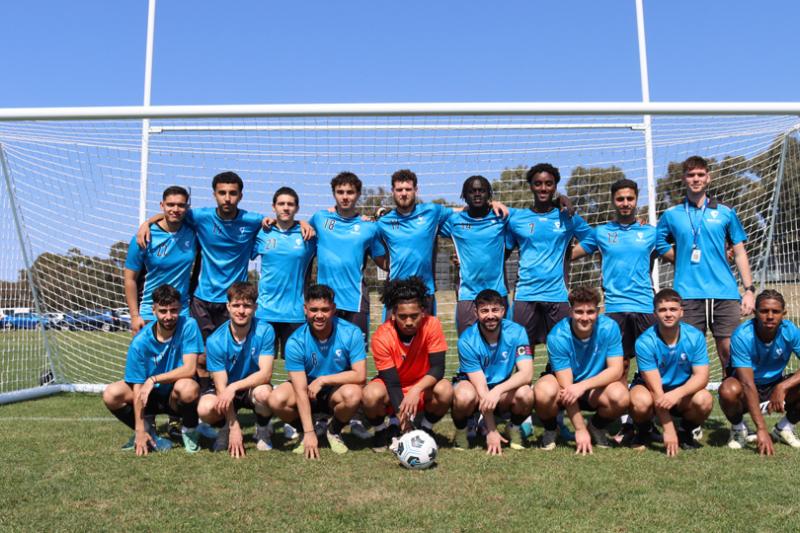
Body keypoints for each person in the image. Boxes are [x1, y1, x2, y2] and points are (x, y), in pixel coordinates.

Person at [572, 178, 657, 436]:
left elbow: (673, 251)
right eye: (620, 199)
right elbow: (572, 253)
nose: (625, 203)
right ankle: (623, 420)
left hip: (645, 306)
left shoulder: (650, 233)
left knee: (650, 363)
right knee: (620, 364)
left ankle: (645, 418)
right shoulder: (601, 233)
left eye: (630, 198)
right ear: (613, 201)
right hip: (615, 307)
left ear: (636, 200)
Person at [656, 156, 756, 372]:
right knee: (689, 355)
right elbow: (658, 242)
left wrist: (749, 290)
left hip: (724, 293)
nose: (696, 179)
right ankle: (693, 394)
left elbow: (740, 252)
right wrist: (680, 257)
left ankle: (733, 393)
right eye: (691, 175)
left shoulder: (725, 212)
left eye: (700, 174)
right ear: (684, 178)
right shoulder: (672, 214)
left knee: (730, 354)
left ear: (708, 178)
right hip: (688, 294)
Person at [375, 169, 507, 316]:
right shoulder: (383, 222)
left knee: (428, 331)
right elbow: (375, 252)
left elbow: (463, 210)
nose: (404, 193)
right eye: (399, 190)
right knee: (390, 332)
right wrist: (390, 265)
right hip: (395, 292)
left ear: (416, 190)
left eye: (408, 189)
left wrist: (491, 203)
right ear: (392, 191)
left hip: (425, 292)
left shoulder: (432, 212)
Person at [102, 284, 204, 455]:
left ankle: (189, 431)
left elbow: (189, 369)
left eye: (173, 310)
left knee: (189, 388)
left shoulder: (189, 325)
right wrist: (139, 429)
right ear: (154, 310)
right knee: (111, 394)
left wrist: (154, 379)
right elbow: (137, 388)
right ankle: (148, 432)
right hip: (148, 396)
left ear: (180, 308)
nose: (169, 316)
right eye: (163, 311)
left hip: (174, 395)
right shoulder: (140, 342)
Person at [268, 284, 367, 458]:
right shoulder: (295, 341)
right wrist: (308, 432)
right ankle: (305, 430)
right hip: (308, 391)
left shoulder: (351, 332)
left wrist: (322, 380)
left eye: (325, 310)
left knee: (353, 393)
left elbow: (360, 375)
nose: (319, 315)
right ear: (305, 309)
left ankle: (333, 431)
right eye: (314, 310)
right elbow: (300, 390)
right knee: (276, 399)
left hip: (336, 390)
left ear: (333, 309)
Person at [507, 163, 592, 350]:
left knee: (562, 350)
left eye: (548, 183)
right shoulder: (517, 219)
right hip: (525, 295)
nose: (543, 188)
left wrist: (568, 255)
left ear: (555, 186)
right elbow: (503, 251)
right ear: (530, 186)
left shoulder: (568, 217)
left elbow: (592, 240)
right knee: (522, 351)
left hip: (557, 295)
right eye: (538, 183)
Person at [534, 286, 628, 454]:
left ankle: (596, 426)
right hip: (564, 387)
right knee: (543, 391)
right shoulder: (557, 336)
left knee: (621, 396)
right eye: (579, 312)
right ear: (571, 311)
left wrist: (583, 386)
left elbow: (616, 370)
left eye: (590, 312)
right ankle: (551, 428)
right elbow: (567, 388)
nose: (585, 318)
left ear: (598, 311)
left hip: (593, 388)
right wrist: (579, 429)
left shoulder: (610, 328)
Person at [363, 277, 454, 450]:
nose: (409, 322)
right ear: (393, 315)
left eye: (414, 316)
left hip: (421, 385)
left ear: (423, 312)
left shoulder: (432, 325)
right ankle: (382, 431)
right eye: (403, 317)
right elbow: (392, 384)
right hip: (393, 387)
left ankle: (426, 429)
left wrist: (416, 389)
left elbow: (438, 368)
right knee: (370, 395)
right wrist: (406, 428)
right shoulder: (381, 336)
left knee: (445, 390)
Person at [629, 288, 713, 456]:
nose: (668, 314)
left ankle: (684, 432)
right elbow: (655, 389)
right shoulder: (645, 342)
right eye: (663, 310)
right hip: (652, 390)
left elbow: (702, 376)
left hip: (681, 392)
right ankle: (645, 430)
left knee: (705, 400)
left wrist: (677, 394)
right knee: (639, 401)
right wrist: (668, 428)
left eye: (673, 309)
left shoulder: (695, 336)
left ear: (681, 312)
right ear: (655, 313)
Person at [197, 282, 275, 458]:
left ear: (255, 307)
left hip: (252, 387)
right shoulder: (215, 340)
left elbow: (266, 374)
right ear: (228, 306)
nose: (241, 311)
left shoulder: (265, 330)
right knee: (205, 408)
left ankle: (262, 428)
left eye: (247, 306)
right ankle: (224, 428)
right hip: (225, 390)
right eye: (236, 305)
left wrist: (235, 386)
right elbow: (221, 386)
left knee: (265, 394)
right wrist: (234, 426)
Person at [451, 289, 533, 454]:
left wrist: (497, 390)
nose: (490, 316)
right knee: (464, 396)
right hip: (475, 390)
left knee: (526, 393)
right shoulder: (467, 340)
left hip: (500, 392)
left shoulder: (517, 332)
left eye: (495, 310)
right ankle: (463, 429)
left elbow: (527, 374)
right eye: (484, 311)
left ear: (503, 311)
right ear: (476, 313)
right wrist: (492, 430)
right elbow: (481, 387)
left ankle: (513, 428)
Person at [719, 289, 800, 453]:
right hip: (745, 387)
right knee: (728, 390)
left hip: (774, 384)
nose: (770, 316)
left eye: (775, 311)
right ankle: (739, 429)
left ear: (784, 314)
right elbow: (747, 384)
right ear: (755, 313)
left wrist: (782, 387)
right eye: (764, 311)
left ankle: (784, 428)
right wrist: (761, 428)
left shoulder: (790, 331)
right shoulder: (742, 335)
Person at [309, 172, 387, 342]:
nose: (345, 197)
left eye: (350, 192)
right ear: (334, 194)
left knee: (356, 353)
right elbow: (301, 232)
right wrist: (299, 222)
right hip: (324, 302)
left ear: (358, 194)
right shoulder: (320, 218)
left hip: (356, 301)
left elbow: (384, 263)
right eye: (340, 192)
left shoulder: (369, 227)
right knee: (323, 353)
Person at [439, 176, 511, 335]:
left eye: (481, 190)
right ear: (464, 196)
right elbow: (428, 221)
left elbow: (531, 215)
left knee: (503, 344)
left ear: (489, 194)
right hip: (468, 295)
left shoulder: (502, 217)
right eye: (472, 191)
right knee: (468, 344)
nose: (477, 194)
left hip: (497, 293)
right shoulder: (454, 221)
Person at [252, 186, 316, 358]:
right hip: (265, 312)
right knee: (261, 365)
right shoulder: (262, 233)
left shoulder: (307, 235)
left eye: (290, 204)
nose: (286, 208)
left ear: (297, 208)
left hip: (295, 313)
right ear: (273, 207)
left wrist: (302, 223)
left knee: (297, 365)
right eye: (281, 204)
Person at [124, 186, 196, 336]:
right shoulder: (144, 237)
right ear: (162, 205)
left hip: (181, 313)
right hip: (150, 313)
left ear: (187, 208)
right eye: (170, 204)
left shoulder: (193, 232)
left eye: (181, 205)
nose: (175, 209)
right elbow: (130, 279)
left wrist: (148, 221)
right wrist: (135, 316)